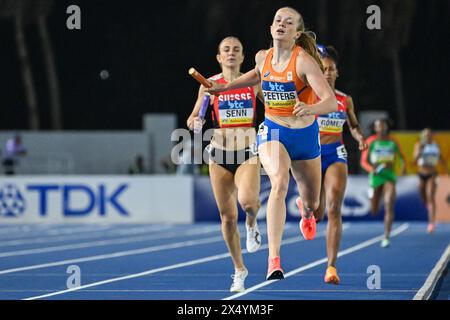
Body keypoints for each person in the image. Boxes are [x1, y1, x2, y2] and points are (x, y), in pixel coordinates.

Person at [207, 7, 337, 280]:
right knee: (278, 182)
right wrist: (223, 88)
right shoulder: (262, 57)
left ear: (296, 33)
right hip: (274, 130)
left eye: (288, 22)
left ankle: (307, 212)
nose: (281, 24)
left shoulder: (304, 63)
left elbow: (330, 101)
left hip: (304, 135)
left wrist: (311, 109)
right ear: (271, 28)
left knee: (315, 203)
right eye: (278, 20)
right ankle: (274, 260)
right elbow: (256, 75)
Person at [187, 36, 262, 292]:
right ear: (219, 57)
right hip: (219, 155)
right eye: (226, 50)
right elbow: (193, 117)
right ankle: (239, 270)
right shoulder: (209, 84)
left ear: (243, 57)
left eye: (236, 50)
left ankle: (252, 223)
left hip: (247, 151)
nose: (231, 53)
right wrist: (195, 123)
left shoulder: (254, 82)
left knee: (249, 203)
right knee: (228, 218)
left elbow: (274, 107)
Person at [313, 45, 368, 284]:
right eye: (322, 69)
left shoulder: (345, 100)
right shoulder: (309, 95)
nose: (327, 73)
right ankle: (308, 210)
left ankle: (331, 267)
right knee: (317, 212)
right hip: (312, 155)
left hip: (336, 152)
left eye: (331, 69)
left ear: (337, 73)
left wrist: (359, 137)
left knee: (334, 207)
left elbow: (353, 125)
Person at [360, 118, 406, 248]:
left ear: (386, 126)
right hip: (375, 177)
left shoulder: (393, 141)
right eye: (378, 126)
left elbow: (401, 156)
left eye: (383, 125)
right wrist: (371, 169)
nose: (381, 127)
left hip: (389, 175)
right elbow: (363, 162)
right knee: (374, 209)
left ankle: (386, 236)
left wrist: (402, 167)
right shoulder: (371, 141)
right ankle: (374, 198)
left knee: (389, 203)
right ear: (375, 128)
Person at [413, 128, 449, 233]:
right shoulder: (418, 145)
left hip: (433, 174)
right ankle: (426, 203)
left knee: (430, 196)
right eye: (426, 135)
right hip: (421, 174)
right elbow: (414, 161)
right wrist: (420, 151)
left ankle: (431, 223)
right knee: (423, 195)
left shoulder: (435, 145)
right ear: (422, 136)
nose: (428, 137)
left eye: (430, 135)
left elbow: (441, 158)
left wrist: (447, 171)